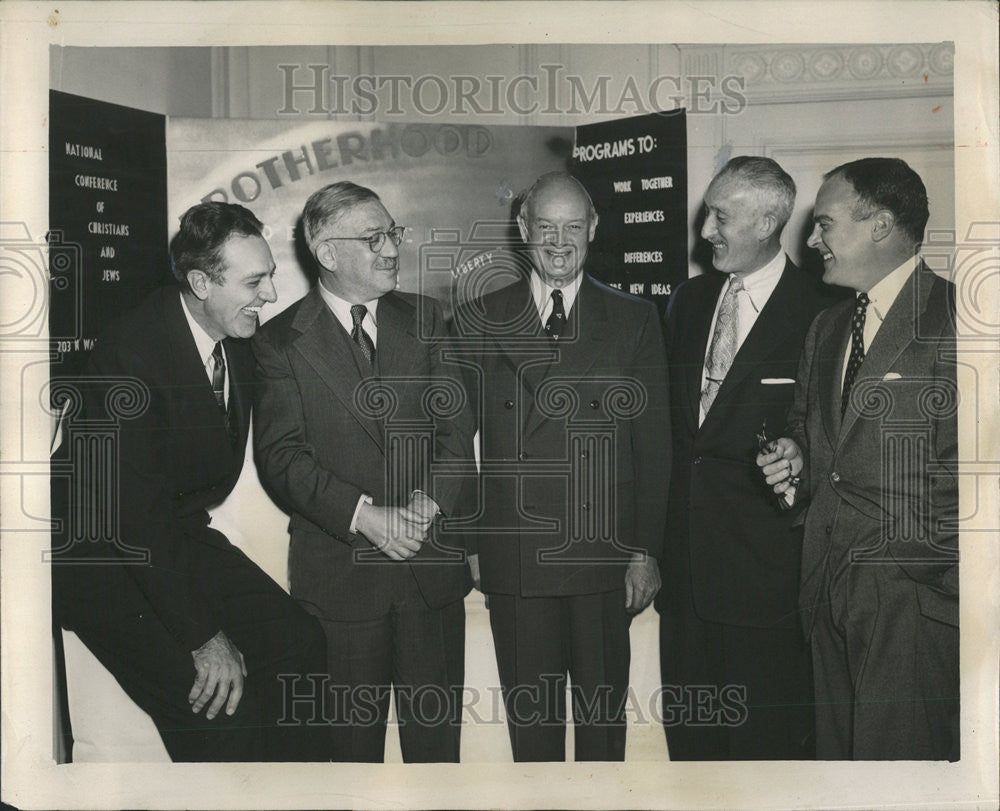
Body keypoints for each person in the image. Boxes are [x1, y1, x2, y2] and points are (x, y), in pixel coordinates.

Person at [52, 202, 330, 762]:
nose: (270, 295)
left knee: (301, 646)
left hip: (169, 533)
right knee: (224, 715)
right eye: (255, 281)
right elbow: (131, 520)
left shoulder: (239, 341)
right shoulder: (128, 356)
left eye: (271, 275)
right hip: (97, 553)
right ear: (201, 283)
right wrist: (204, 638)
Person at [252, 181, 473, 762]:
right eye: (374, 238)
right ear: (327, 253)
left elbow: (457, 434)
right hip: (340, 584)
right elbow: (281, 458)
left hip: (430, 575)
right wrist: (366, 517)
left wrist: (423, 511)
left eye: (393, 234)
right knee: (350, 763)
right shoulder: (278, 343)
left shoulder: (427, 316)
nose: (392, 249)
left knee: (438, 762)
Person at [452, 171, 670, 762]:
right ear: (522, 229)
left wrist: (645, 550)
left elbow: (654, 447)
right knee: (534, 738)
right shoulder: (476, 318)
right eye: (544, 227)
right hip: (517, 557)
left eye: (572, 227)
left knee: (603, 734)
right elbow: (452, 445)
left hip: (604, 558)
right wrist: (472, 541)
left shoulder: (635, 318)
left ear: (594, 229)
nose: (558, 241)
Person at [757, 158, 959, 760]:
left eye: (824, 224)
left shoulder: (963, 321)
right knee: (840, 766)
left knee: (901, 773)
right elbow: (815, 433)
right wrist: (797, 458)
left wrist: (910, 568)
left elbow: (976, 472)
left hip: (911, 598)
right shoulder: (828, 327)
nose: (812, 240)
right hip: (824, 587)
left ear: (880, 225)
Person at [657, 156, 825, 760]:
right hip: (684, 579)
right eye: (708, 213)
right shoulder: (687, 300)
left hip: (766, 583)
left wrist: (800, 454)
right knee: (691, 750)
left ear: (767, 221)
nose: (704, 231)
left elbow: (831, 439)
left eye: (720, 217)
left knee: (763, 753)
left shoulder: (822, 310)